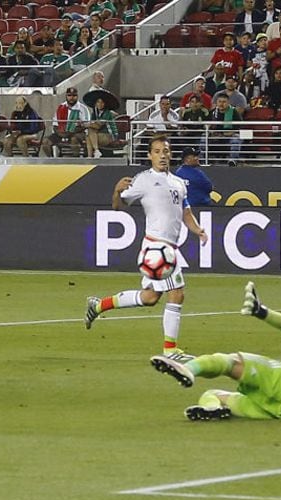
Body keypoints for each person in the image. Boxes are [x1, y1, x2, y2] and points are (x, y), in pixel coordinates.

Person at [150, 282, 281, 421]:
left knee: (228, 361)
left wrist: (261, 312)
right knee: (212, 394)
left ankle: (187, 369)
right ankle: (213, 409)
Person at [84, 135, 208, 359]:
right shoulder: (143, 180)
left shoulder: (178, 182)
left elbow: (185, 211)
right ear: (150, 155)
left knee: (150, 298)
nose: (162, 155)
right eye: (158, 151)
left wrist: (197, 229)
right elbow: (117, 206)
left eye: (166, 151)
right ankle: (170, 351)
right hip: (157, 247)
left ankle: (99, 305)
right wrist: (116, 190)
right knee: (177, 294)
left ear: (170, 154)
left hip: (168, 246)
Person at [42, 87, 90, 157]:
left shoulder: (83, 108)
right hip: (61, 133)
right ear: (66, 96)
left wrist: (70, 132)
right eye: (69, 95)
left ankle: (76, 161)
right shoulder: (61, 107)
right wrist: (60, 133)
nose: (71, 98)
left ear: (77, 96)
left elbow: (86, 126)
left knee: (74, 140)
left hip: (77, 133)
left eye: (74, 95)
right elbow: (55, 125)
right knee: (45, 142)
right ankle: (52, 161)